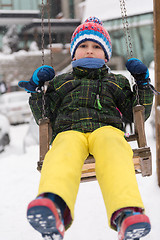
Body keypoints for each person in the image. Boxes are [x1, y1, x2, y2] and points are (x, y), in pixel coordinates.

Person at [18, 17, 153, 240]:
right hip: (69, 132)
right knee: (61, 154)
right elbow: (44, 115)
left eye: (96, 47)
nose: (89, 51)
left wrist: (142, 83)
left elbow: (136, 112)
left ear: (106, 54)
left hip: (106, 129)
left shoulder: (117, 82)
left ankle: (127, 212)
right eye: (83, 46)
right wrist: (36, 90)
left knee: (115, 151)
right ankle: (54, 207)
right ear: (73, 53)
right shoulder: (60, 83)